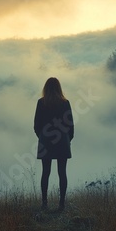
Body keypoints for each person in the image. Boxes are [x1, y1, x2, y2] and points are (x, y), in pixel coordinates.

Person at [34, 77, 74, 211]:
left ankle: (44, 203)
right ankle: (61, 204)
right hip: (62, 140)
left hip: (46, 141)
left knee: (45, 172)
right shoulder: (65, 103)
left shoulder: (41, 103)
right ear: (59, 88)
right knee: (62, 172)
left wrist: (42, 137)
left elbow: (36, 125)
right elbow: (70, 124)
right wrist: (68, 139)